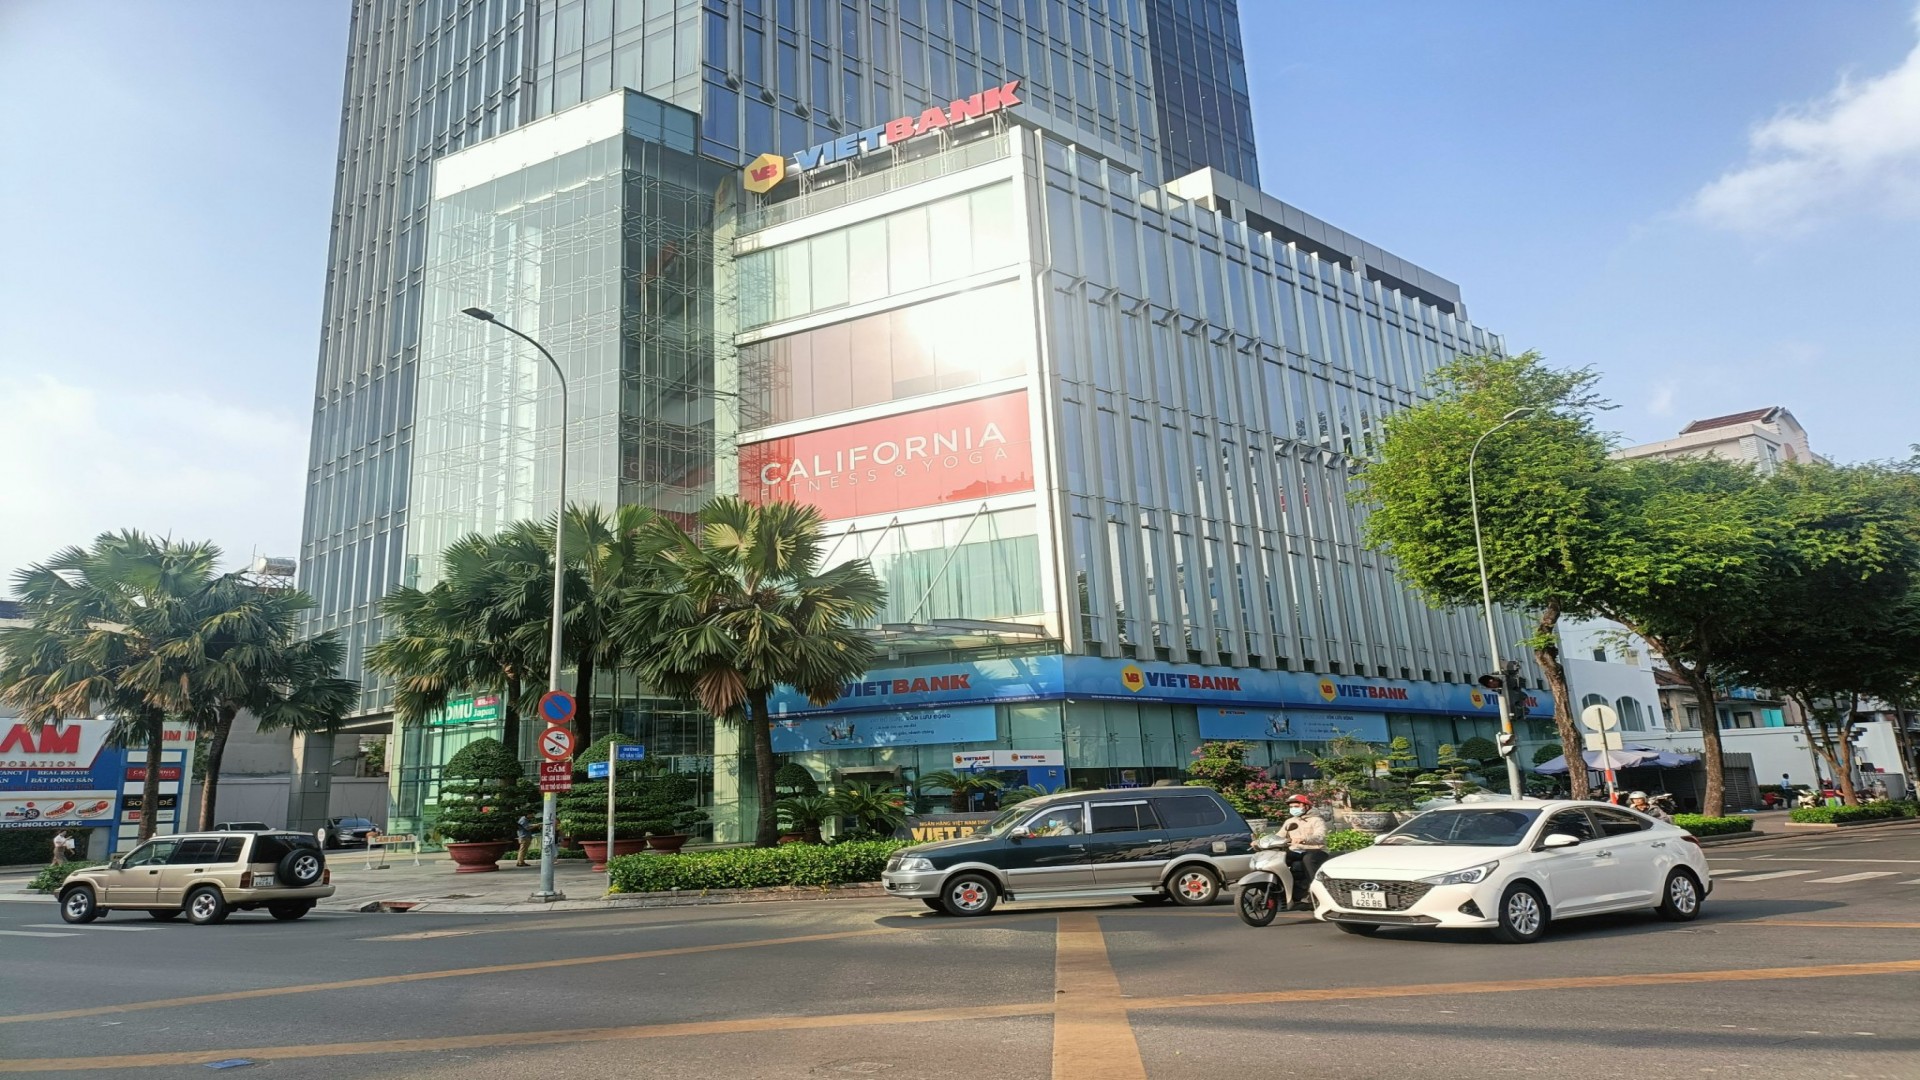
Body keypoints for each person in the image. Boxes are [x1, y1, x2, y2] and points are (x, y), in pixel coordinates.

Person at [1279, 795, 1328, 908]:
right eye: (1291, 807)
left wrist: (1304, 839)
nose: (1293, 809)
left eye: (1296, 806)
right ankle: (1282, 892)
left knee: (1308, 859)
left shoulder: (1317, 820)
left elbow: (1320, 836)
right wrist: (1261, 841)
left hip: (1316, 850)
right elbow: (1279, 836)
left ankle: (1315, 892)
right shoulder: (1289, 821)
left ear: (1306, 806)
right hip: (1296, 851)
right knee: (1280, 858)